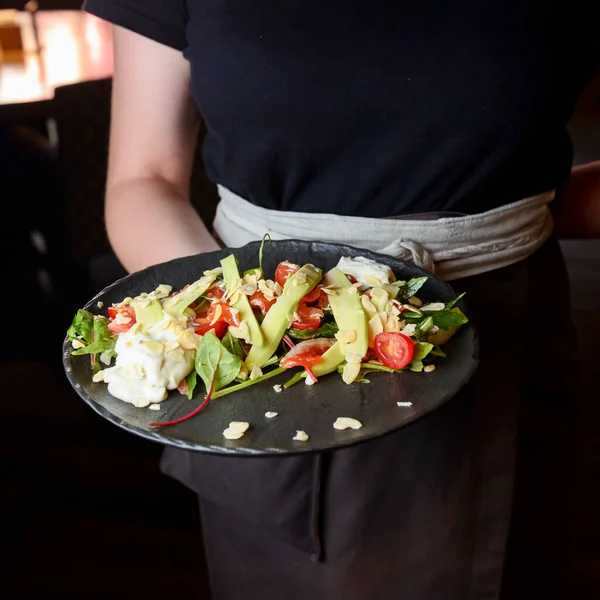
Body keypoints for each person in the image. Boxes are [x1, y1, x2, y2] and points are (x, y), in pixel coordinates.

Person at [81, 1, 600, 598]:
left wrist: (511, 221)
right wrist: (247, 319)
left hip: (503, 351)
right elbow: (141, 179)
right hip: (258, 360)